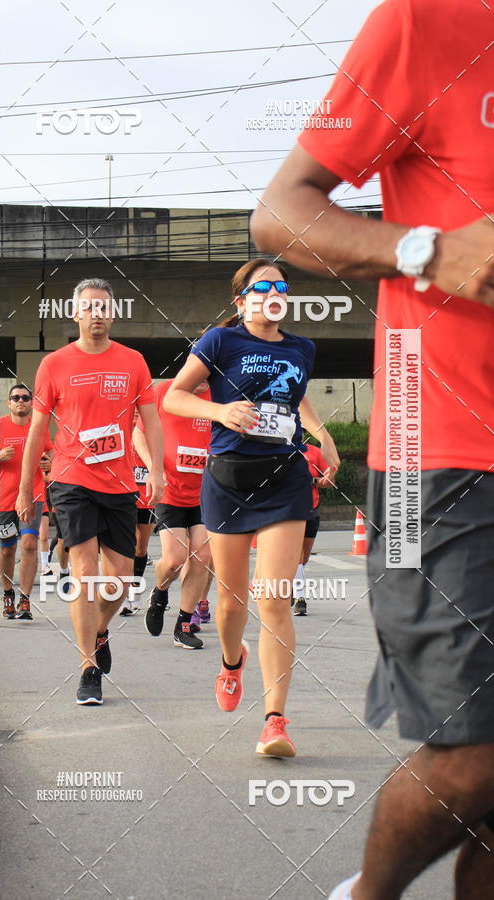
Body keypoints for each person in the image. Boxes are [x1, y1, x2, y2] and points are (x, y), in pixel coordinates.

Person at [251, 0, 494, 895]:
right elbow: (279, 214)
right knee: (473, 762)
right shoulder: (428, 24)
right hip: (444, 454)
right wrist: (428, 250)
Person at [164, 259, 340, 756]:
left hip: (284, 480)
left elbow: (295, 401)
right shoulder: (220, 343)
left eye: (281, 286)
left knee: (274, 599)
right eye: (262, 286)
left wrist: (321, 436)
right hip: (227, 481)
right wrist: (220, 410)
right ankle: (230, 660)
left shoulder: (302, 348)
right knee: (229, 605)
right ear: (242, 300)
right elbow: (174, 398)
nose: (274, 293)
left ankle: (275, 721)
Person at [16, 278, 164, 706]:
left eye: (104, 307)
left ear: (113, 314)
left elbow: (150, 421)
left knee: (119, 580)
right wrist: (28, 489)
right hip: (71, 479)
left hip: (119, 482)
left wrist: (156, 469)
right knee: (83, 572)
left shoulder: (133, 361)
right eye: (89, 307)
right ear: (76, 314)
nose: (97, 314)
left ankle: (99, 630)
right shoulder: (55, 365)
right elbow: (37, 431)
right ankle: (87, 667)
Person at [136, 378, 213, 650]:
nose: (204, 377)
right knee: (174, 560)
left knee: (202, 556)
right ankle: (159, 594)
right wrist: (153, 468)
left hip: (206, 492)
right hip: (170, 490)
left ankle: (183, 624)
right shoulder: (164, 390)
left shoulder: (222, 395)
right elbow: (138, 432)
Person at [0, 384, 52, 620]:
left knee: (30, 544)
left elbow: (49, 453)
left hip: (33, 495)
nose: (20, 401)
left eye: (25, 397)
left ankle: (25, 599)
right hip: (4, 498)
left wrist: (47, 463)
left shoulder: (39, 426)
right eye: (16, 398)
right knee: (7, 551)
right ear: (9, 403)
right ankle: (7, 595)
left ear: (31, 402)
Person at [119, 411, 158, 617]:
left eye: (138, 414)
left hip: (146, 497)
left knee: (140, 547)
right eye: (132, 414)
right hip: (124, 496)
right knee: (126, 545)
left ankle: (135, 590)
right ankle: (124, 595)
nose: (135, 418)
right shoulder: (120, 433)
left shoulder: (150, 434)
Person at [292, 441, 331, 616]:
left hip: (312, 507)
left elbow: (329, 480)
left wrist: (325, 479)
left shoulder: (314, 452)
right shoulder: (280, 450)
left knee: (304, 556)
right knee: (297, 554)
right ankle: (300, 598)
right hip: (290, 507)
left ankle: (293, 584)